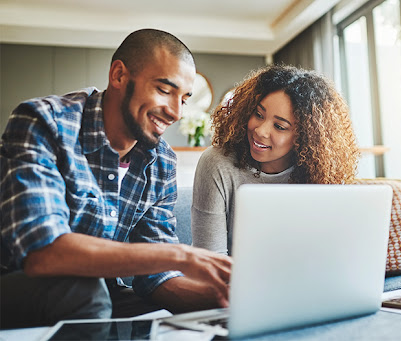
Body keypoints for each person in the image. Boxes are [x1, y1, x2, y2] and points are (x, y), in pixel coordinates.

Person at [0, 28, 232, 329]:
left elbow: (155, 278)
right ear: (119, 75)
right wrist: (180, 255)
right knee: (87, 293)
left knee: (161, 313)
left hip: (98, 292)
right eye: (164, 90)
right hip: (18, 282)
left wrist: (224, 298)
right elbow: (43, 253)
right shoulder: (43, 122)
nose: (176, 112)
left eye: (184, 99)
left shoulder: (161, 161)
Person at [192, 65, 360, 255]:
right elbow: (209, 260)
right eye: (258, 114)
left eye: (279, 126)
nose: (261, 131)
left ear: (305, 136)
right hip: (231, 281)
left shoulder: (321, 173)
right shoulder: (217, 163)